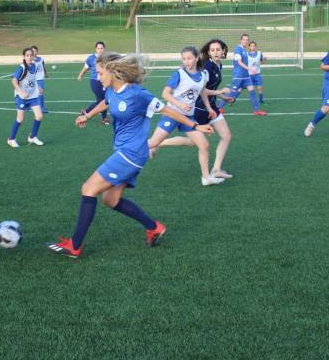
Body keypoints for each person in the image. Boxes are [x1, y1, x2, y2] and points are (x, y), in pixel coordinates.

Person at [47, 53, 213, 258]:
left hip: (131, 154)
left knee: (88, 189)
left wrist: (195, 125)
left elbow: (167, 110)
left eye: (100, 73)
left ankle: (75, 245)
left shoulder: (137, 94)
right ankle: (154, 227)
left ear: (113, 72)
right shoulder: (112, 90)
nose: (97, 77)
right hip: (125, 151)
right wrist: (87, 115)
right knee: (110, 199)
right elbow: (105, 102)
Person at [147, 46, 225, 186]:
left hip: (188, 117)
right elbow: (165, 94)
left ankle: (206, 178)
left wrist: (209, 108)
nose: (186, 61)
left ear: (196, 58)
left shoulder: (203, 75)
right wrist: (179, 104)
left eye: (189, 58)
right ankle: (124, 157)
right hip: (172, 114)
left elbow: (202, 92)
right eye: (184, 59)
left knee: (204, 145)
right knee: (152, 143)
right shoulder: (179, 74)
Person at [8, 47, 44, 147]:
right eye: (27, 55)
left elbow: (33, 78)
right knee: (20, 119)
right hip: (22, 98)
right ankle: (11, 139)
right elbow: (14, 80)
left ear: (33, 56)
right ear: (24, 56)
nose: (29, 57)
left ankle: (32, 137)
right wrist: (21, 91)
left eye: (31, 55)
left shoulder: (34, 66)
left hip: (33, 96)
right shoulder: (21, 68)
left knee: (39, 116)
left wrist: (38, 87)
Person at [226, 34, 266, 116]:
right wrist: (250, 69)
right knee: (233, 92)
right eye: (244, 39)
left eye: (247, 40)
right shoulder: (238, 49)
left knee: (252, 91)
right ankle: (219, 108)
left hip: (246, 76)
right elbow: (239, 62)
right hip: (238, 75)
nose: (245, 41)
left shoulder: (244, 50)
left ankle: (257, 110)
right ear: (241, 40)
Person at [78, 41, 109, 125]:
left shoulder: (107, 57)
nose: (100, 50)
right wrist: (80, 75)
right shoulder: (91, 58)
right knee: (102, 100)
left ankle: (86, 111)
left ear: (104, 49)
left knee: (105, 99)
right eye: (98, 48)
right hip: (95, 81)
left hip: (105, 81)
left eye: (101, 48)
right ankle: (104, 118)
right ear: (96, 49)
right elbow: (86, 68)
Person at [31, 45, 48, 113]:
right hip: (33, 79)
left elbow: (43, 66)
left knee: (40, 92)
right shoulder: (30, 60)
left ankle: (42, 108)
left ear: (37, 51)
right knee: (31, 93)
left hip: (40, 78)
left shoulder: (41, 59)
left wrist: (46, 73)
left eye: (35, 51)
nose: (34, 52)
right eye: (33, 51)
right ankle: (27, 105)